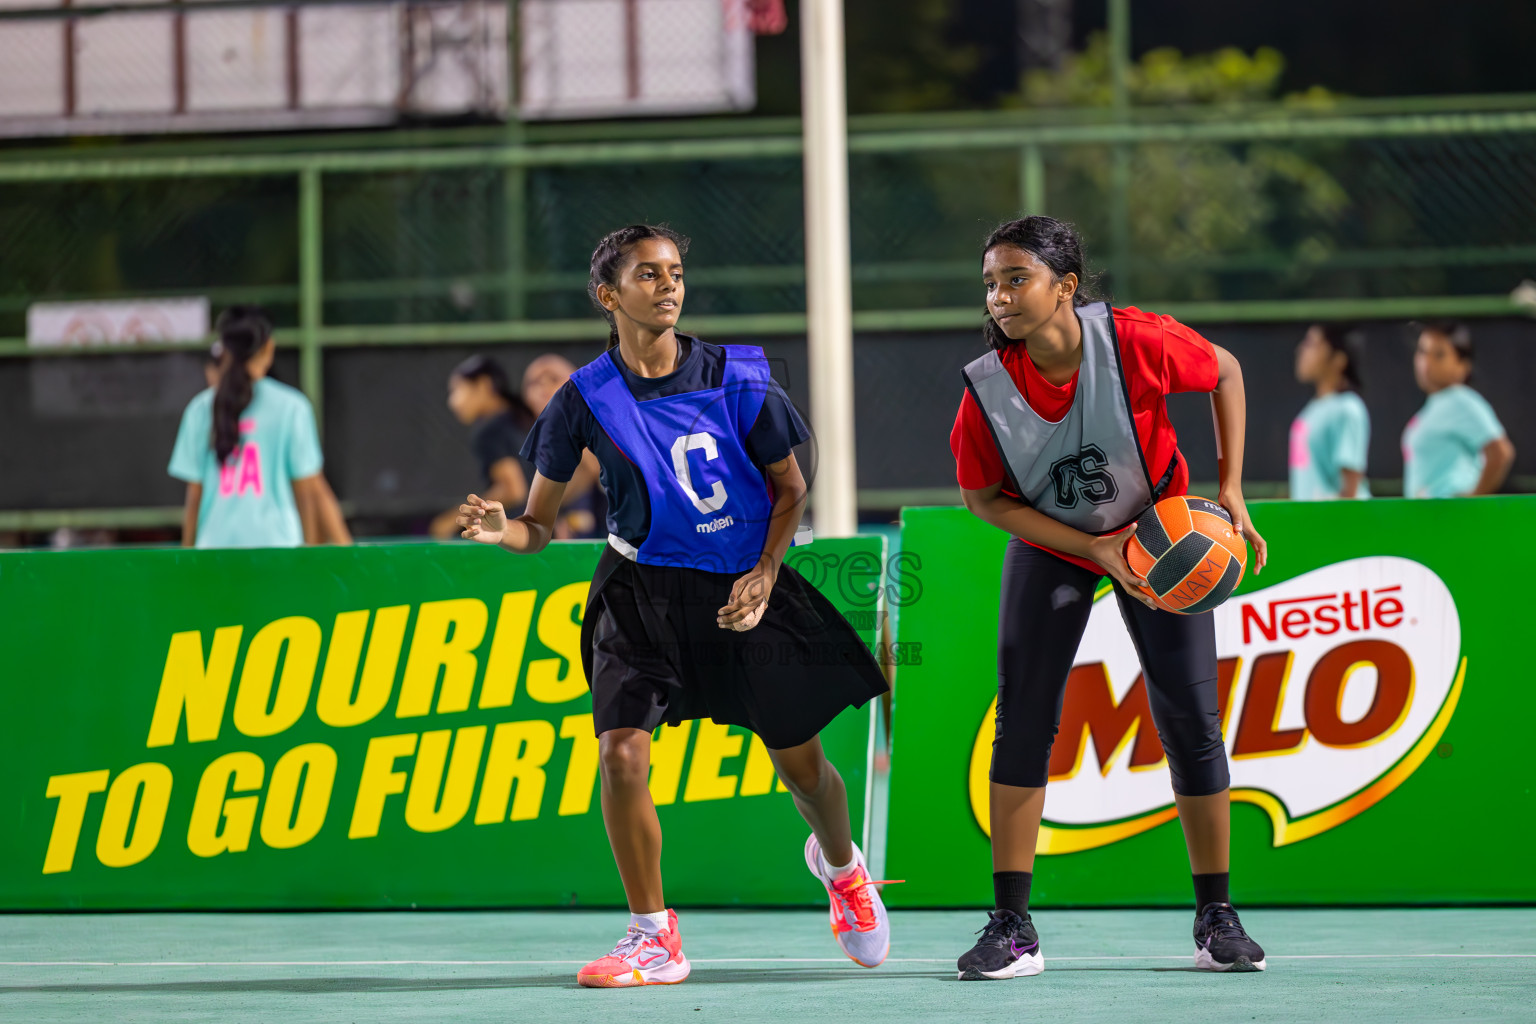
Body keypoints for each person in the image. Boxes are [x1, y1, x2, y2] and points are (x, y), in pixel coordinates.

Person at [455, 224, 891, 988]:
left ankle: (843, 866)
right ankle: (653, 935)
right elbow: (538, 527)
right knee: (621, 752)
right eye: (648, 274)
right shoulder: (582, 399)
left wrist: (763, 574)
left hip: (742, 588)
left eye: (676, 272)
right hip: (640, 593)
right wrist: (504, 531)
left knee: (804, 767)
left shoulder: (739, 377)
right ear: (608, 296)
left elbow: (791, 488)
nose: (668, 285)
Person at [948, 216, 1269, 979]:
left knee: (1190, 718)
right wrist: (1090, 547)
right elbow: (984, 499)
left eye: (1016, 279)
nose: (999, 297)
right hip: (1057, 542)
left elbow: (1224, 370)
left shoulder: (1133, 340)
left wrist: (1228, 487)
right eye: (991, 282)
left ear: (1065, 286)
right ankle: (1012, 926)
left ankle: (1216, 915)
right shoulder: (988, 388)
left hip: (1160, 534)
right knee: (1023, 718)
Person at [169, 306, 351, 548]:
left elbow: (194, 497)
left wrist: (187, 556)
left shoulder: (199, 409)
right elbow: (309, 491)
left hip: (214, 553)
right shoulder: (292, 407)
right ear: (268, 348)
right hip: (277, 553)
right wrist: (315, 551)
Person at [1402, 322, 1516, 498]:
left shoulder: (1460, 400)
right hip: (1428, 521)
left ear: (1462, 366)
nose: (1426, 363)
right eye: (1422, 352)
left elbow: (1500, 452)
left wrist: (1472, 500)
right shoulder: (1433, 407)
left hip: (1450, 520)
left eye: (1439, 355)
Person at [430, 355, 534, 538]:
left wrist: (452, 520)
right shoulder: (523, 419)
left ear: (484, 385)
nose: (452, 402)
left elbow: (514, 490)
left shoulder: (489, 431)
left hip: (515, 536)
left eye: (457, 390)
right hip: (544, 532)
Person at [522, 353, 606, 539]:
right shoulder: (522, 435)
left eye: (553, 379)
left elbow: (595, 470)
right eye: (535, 382)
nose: (544, 387)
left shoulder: (596, 423)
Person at [1289, 323, 1371, 500]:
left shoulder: (1348, 408)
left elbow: (1350, 493)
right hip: (1313, 523)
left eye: (1311, 344)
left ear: (1338, 359)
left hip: (1335, 525)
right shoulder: (1312, 410)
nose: (1300, 350)